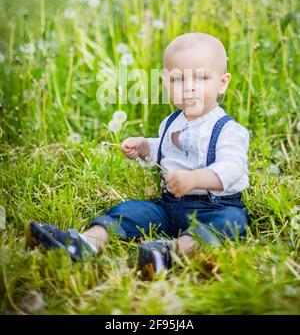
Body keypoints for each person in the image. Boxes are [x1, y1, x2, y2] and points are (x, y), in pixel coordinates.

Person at [28, 32, 250, 280]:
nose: (189, 87)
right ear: (166, 84)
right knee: (129, 210)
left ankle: (169, 253)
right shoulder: (170, 123)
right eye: (178, 79)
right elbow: (166, 150)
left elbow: (233, 168)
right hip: (169, 208)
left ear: (222, 83)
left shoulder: (229, 130)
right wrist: (145, 146)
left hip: (214, 207)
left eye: (201, 77)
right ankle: (86, 242)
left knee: (232, 222)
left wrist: (196, 179)